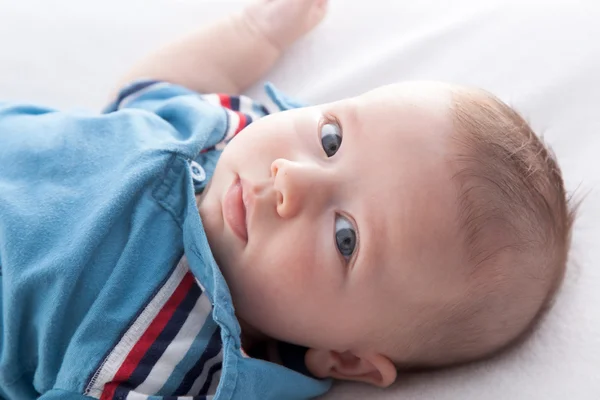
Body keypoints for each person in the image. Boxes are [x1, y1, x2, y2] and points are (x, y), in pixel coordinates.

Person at [0, 0, 573, 399]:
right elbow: (147, 95)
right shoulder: (237, 131)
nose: (293, 179)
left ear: (344, 358)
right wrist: (257, 30)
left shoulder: (162, 362)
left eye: (345, 238)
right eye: (332, 139)